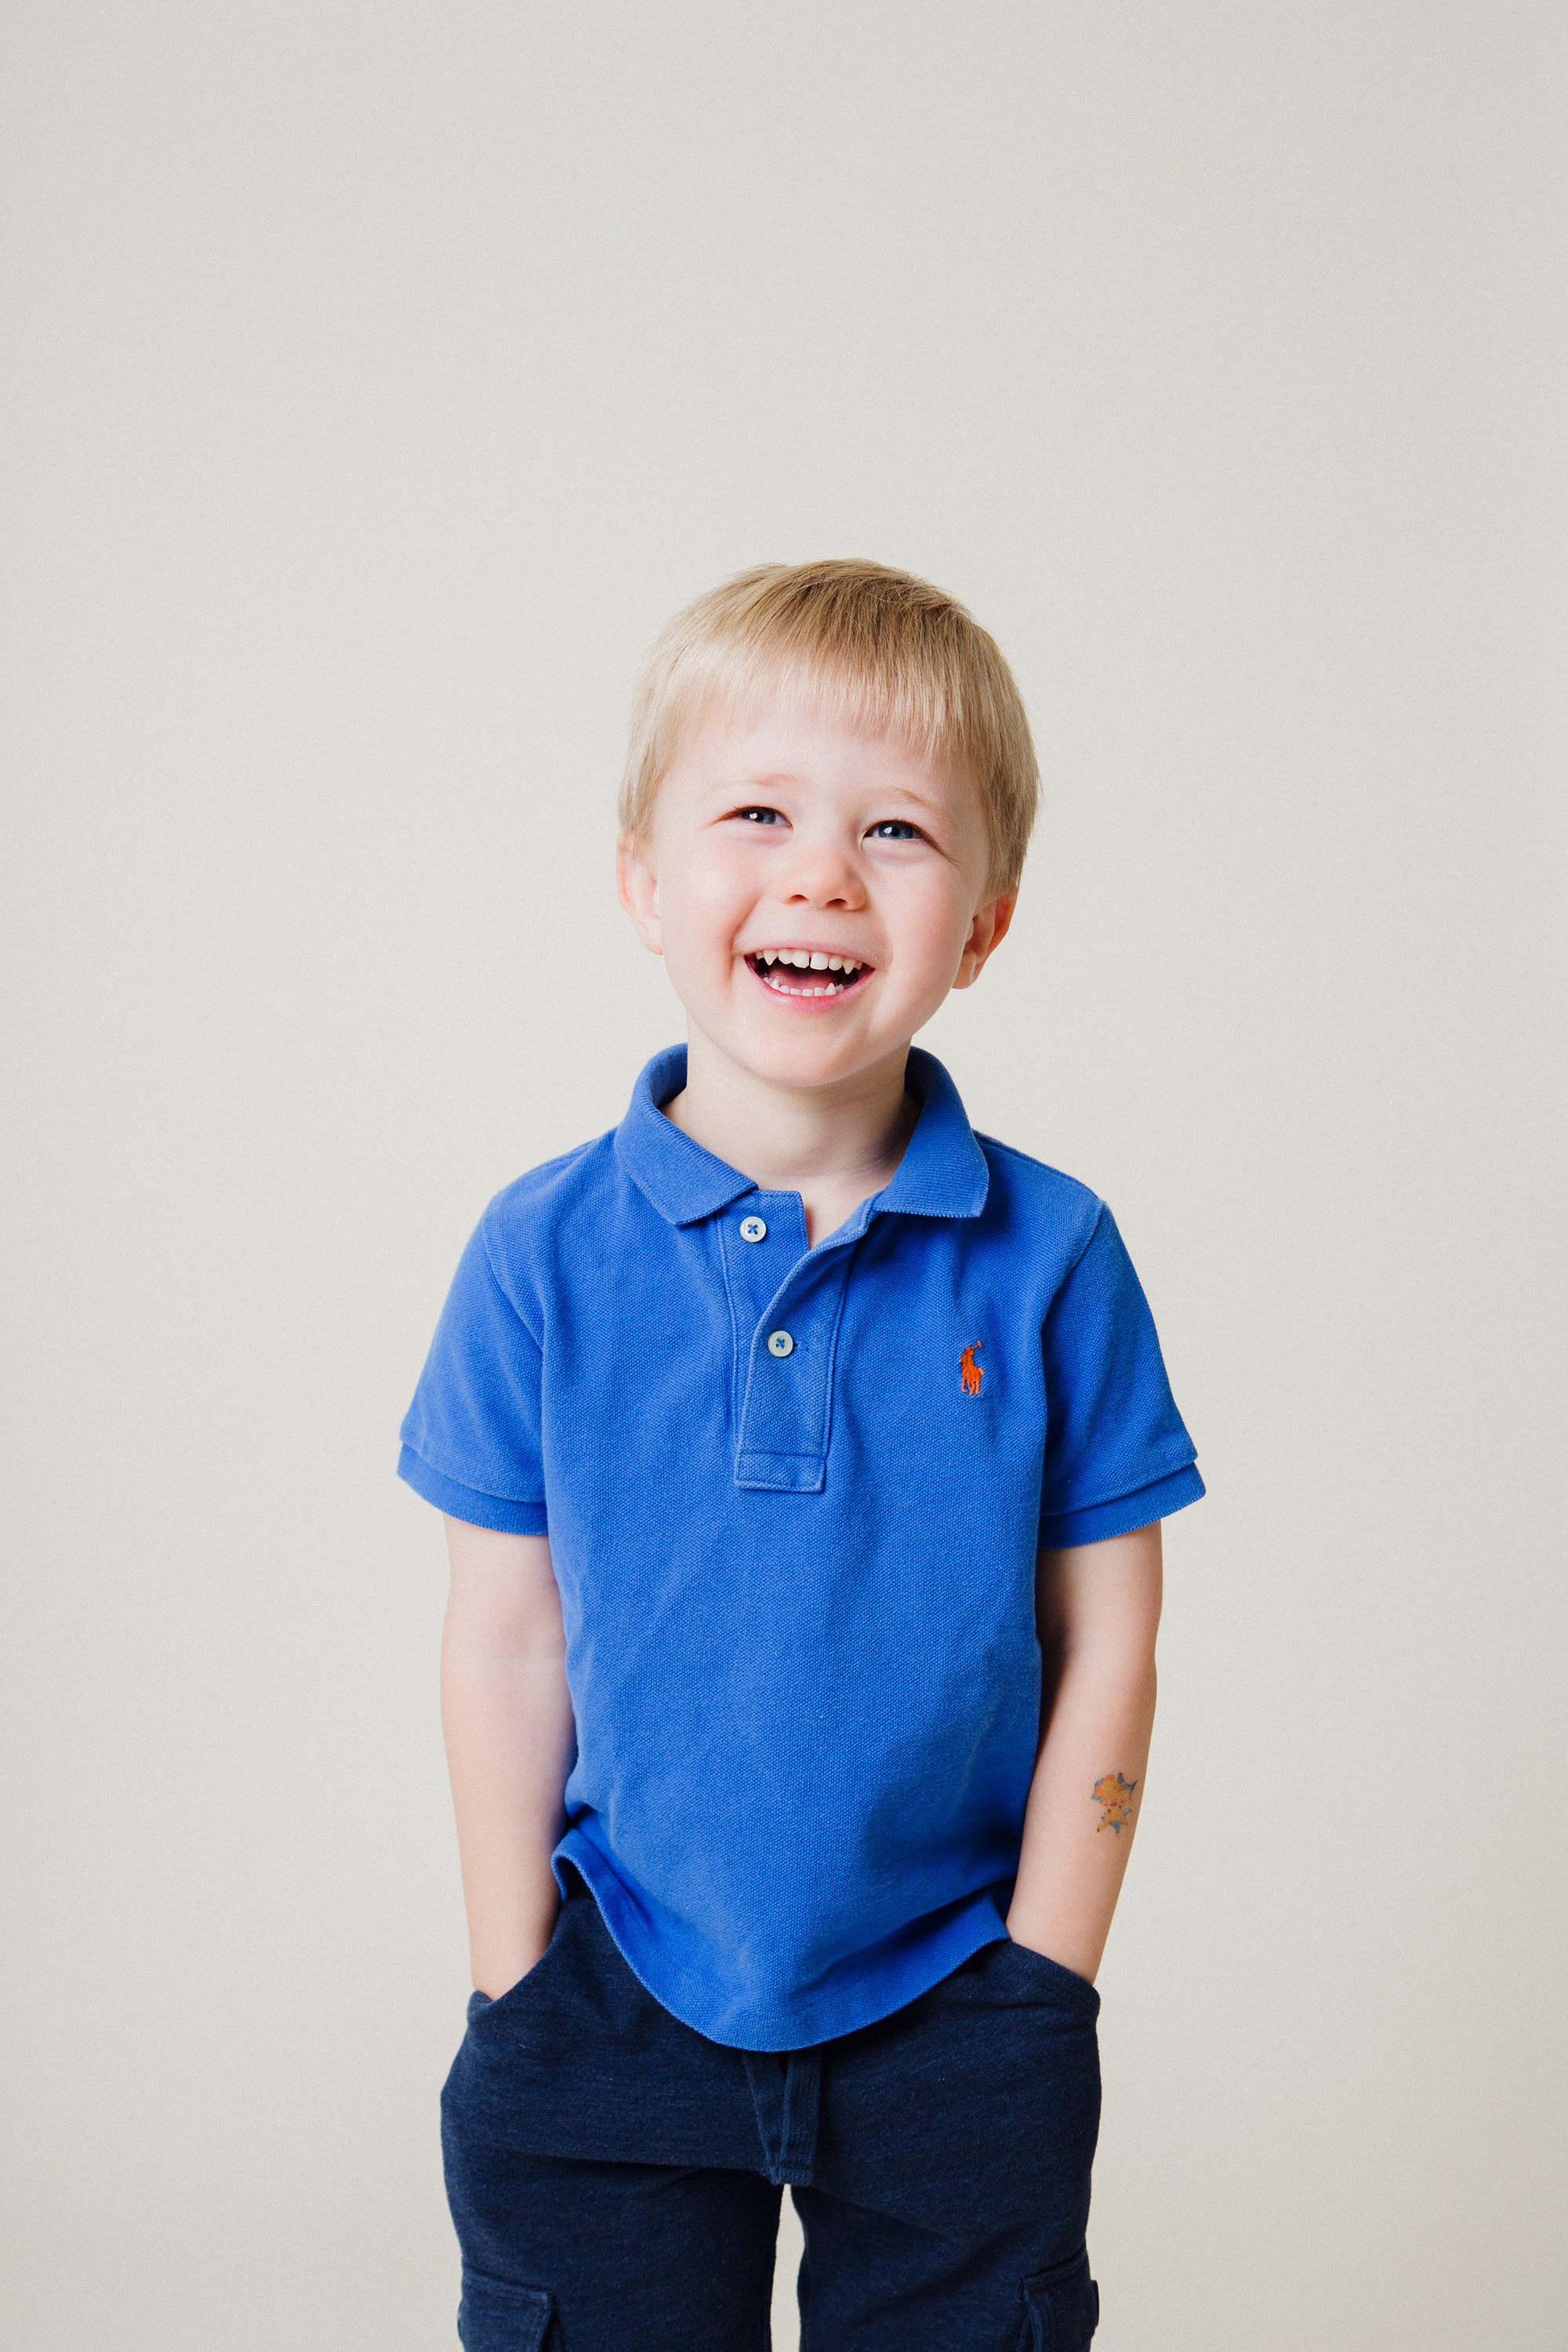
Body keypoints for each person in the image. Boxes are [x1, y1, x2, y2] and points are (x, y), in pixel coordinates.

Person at [397, 559, 1204, 2351]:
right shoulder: (539, 1256)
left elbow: (1113, 1641)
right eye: (754, 811)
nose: (822, 871)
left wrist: (1045, 1985)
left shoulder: (1052, 1254)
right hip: (604, 1990)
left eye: (896, 830)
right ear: (642, 880)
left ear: (983, 924)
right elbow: (506, 1634)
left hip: (955, 2006)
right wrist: (511, 1977)